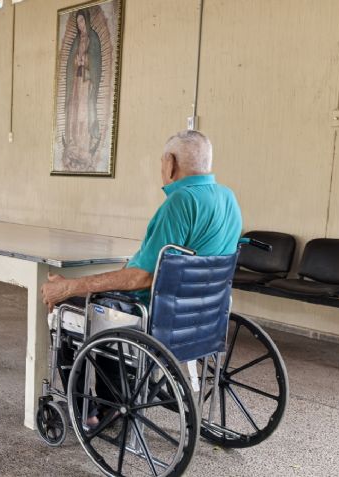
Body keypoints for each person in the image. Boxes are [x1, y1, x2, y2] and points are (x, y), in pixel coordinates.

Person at [41, 130, 242, 422]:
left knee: (68, 309)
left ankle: (89, 412)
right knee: (103, 301)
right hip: (203, 315)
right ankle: (112, 402)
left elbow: (141, 278)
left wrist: (70, 286)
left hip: (157, 315)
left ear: (170, 163)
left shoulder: (180, 203)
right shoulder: (228, 198)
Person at [62, 8, 103, 171]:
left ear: (86, 20)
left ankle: (84, 144)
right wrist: (75, 61)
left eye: (81, 21)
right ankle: (74, 144)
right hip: (77, 83)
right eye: (77, 22)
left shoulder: (93, 38)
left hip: (87, 83)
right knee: (75, 112)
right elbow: (70, 66)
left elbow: (96, 62)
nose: (80, 25)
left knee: (84, 114)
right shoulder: (76, 42)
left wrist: (84, 59)